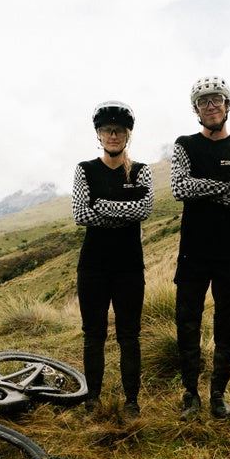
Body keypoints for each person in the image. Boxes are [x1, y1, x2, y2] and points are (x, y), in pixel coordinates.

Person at [170, 76, 230, 419]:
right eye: (203, 102)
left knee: (227, 326)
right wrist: (225, 184)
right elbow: (179, 188)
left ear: (228, 105)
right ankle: (190, 394)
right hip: (192, 253)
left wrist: (202, 188)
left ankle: (218, 394)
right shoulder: (184, 145)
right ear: (196, 110)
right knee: (187, 323)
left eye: (216, 99)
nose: (210, 106)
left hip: (229, 255)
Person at [71, 100, 153, 419]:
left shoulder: (141, 171)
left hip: (129, 267)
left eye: (119, 130)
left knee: (129, 335)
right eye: (107, 129)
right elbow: (81, 214)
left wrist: (102, 206)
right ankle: (92, 400)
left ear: (128, 134)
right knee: (93, 335)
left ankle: (131, 401)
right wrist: (124, 212)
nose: (113, 135)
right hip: (93, 266)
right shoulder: (85, 170)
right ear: (99, 134)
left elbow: (144, 209)